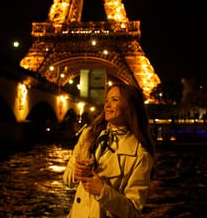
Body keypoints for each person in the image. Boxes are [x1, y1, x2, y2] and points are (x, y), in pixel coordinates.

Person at [63, 82, 155, 218]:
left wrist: (102, 191)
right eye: (107, 100)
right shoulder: (88, 135)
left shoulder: (140, 156)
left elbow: (134, 212)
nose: (107, 105)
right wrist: (76, 174)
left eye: (114, 100)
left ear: (129, 107)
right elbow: (66, 179)